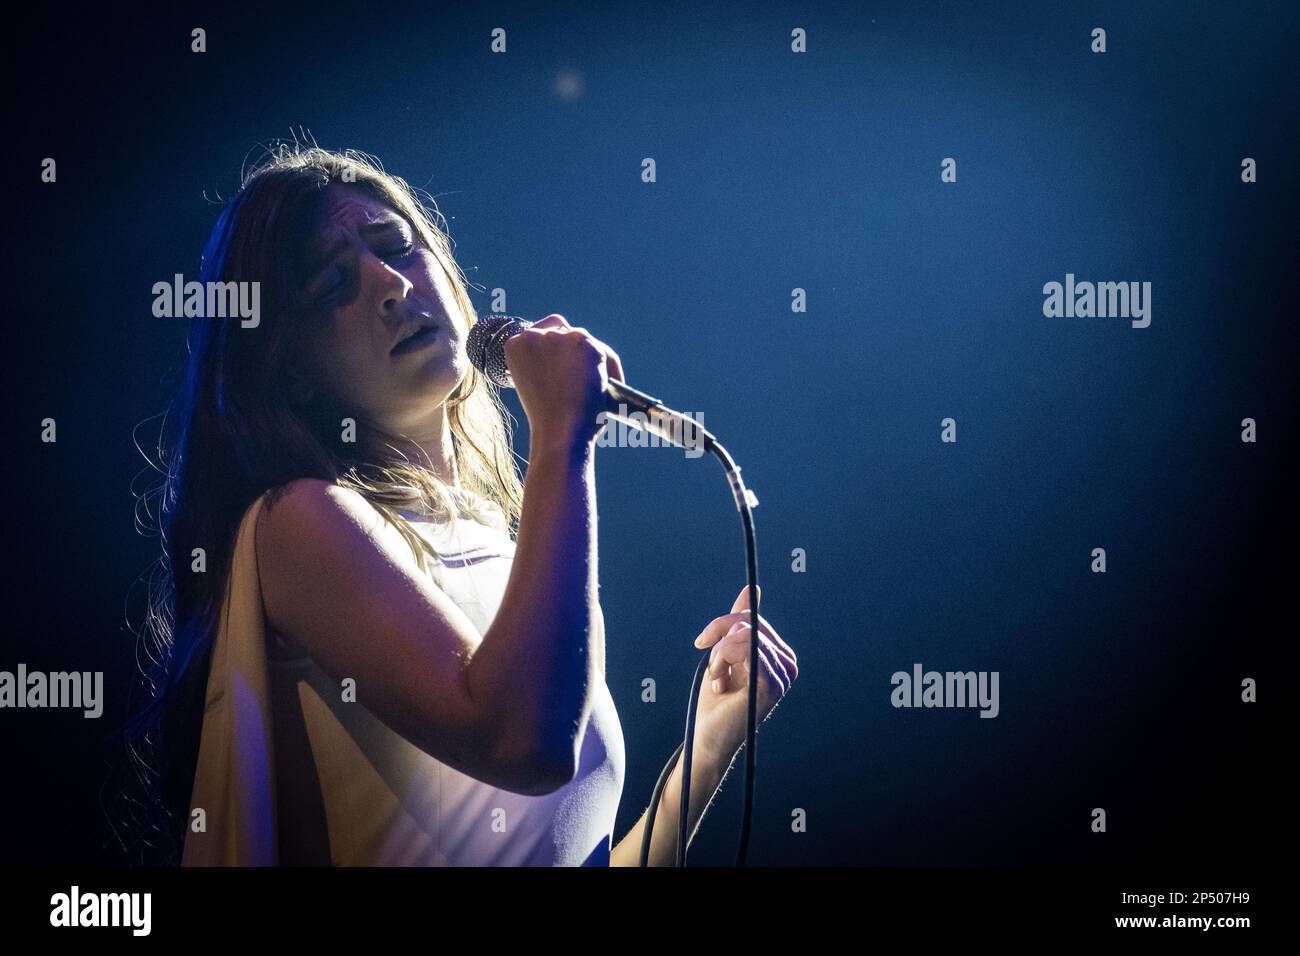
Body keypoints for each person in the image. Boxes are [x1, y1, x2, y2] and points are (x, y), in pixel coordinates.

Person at [119, 145, 797, 866]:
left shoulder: (499, 546)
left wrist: (706, 749)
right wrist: (564, 437)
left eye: (398, 248)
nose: (388, 284)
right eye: (332, 283)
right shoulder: (299, 521)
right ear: (291, 369)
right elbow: (524, 743)